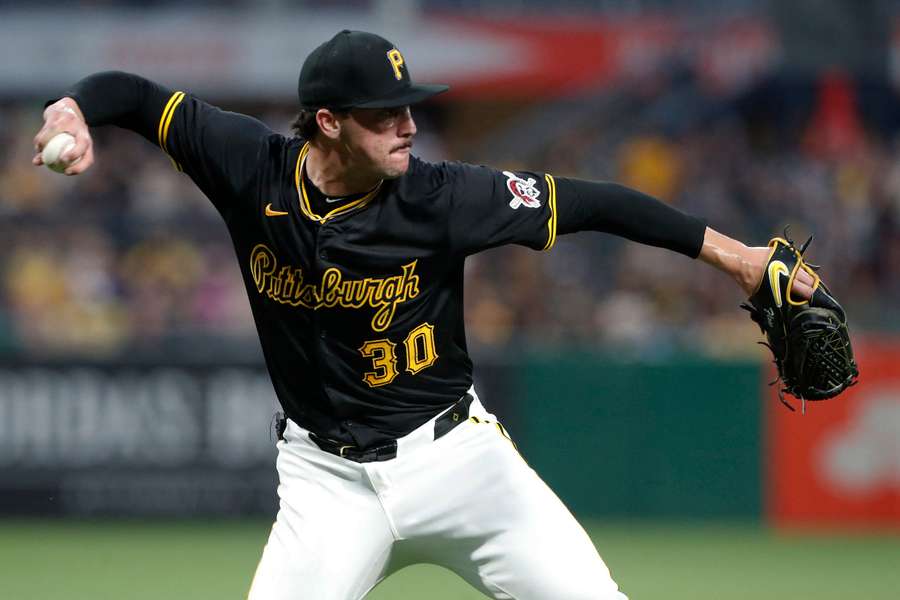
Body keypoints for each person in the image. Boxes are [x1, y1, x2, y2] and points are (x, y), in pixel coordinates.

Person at [33, 30, 814, 600]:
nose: (408, 124)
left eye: (409, 107)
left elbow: (591, 203)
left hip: (458, 464)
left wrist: (738, 257)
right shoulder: (247, 165)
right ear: (329, 121)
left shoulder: (442, 197)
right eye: (384, 114)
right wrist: (73, 110)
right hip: (327, 479)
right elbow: (133, 97)